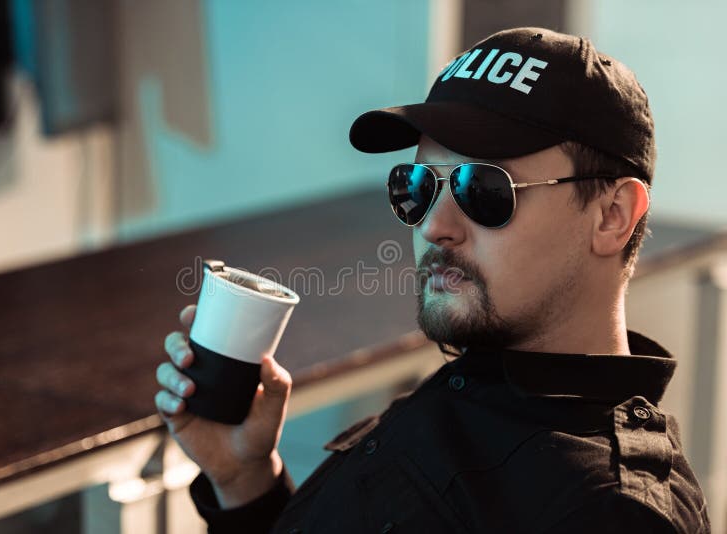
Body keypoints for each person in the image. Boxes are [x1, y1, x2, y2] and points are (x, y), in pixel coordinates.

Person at [154, 27, 712, 533]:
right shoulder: (481, 381)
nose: (435, 227)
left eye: (483, 189)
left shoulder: (608, 513)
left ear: (611, 215)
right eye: (418, 185)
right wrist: (246, 481)